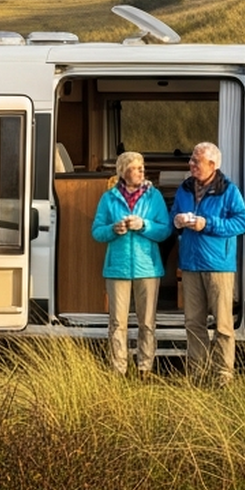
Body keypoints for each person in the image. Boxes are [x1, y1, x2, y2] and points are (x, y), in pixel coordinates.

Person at [170, 141, 245, 385]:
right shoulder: (184, 188)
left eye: (196, 161)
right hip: (190, 264)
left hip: (218, 266)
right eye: (191, 159)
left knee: (223, 324)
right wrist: (177, 221)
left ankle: (223, 375)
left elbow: (242, 222)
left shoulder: (229, 190)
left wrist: (208, 224)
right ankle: (198, 373)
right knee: (193, 323)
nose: (190, 164)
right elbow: (173, 216)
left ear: (212, 165)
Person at [91, 151, 171, 376]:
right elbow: (97, 231)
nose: (141, 170)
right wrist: (112, 229)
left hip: (148, 267)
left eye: (142, 166)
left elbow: (165, 230)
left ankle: (145, 368)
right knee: (118, 323)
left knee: (147, 322)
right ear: (123, 172)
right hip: (117, 268)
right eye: (135, 167)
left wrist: (144, 225)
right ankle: (118, 369)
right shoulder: (108, 198)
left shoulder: (154, 196)